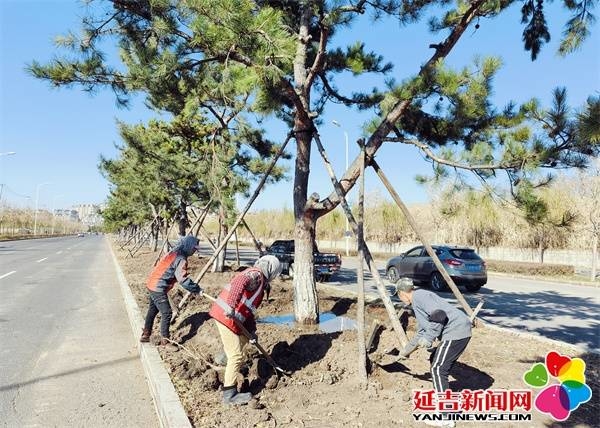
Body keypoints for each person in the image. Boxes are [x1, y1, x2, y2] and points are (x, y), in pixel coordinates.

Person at [396, 278, 472, 428]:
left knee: (438, 369)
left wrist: (429, 338)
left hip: (456, 331)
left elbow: (439, 315)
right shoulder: (417, 302)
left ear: (402, 293)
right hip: (457, 331)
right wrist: (405, 351)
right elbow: (422, 331)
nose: (399, 297)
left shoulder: (420, 296)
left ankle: (445, 417)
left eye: (398, 295)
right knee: (435, 360)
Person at [209, 255, 282, 405]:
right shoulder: (255, 275)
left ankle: (223, 359)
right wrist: (231, 305)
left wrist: (251, 332)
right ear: (271, 271)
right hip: (225, 315)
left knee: (242, 340)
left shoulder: (260, 285)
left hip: (230, 318)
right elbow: (239, 283)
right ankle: (229, 395)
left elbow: (248, 312)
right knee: (236, 355)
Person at [140, 235, 204, 351]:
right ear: (189, 246)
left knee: (153, 310)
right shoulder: (181, 258)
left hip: (152, 282)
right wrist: (197, 289)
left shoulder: (174, 252)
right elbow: (183, 280)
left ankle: (146, 334)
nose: (194, 251)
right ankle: (165, 341)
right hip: (158, 286)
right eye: (194, 249)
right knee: (167, 313)